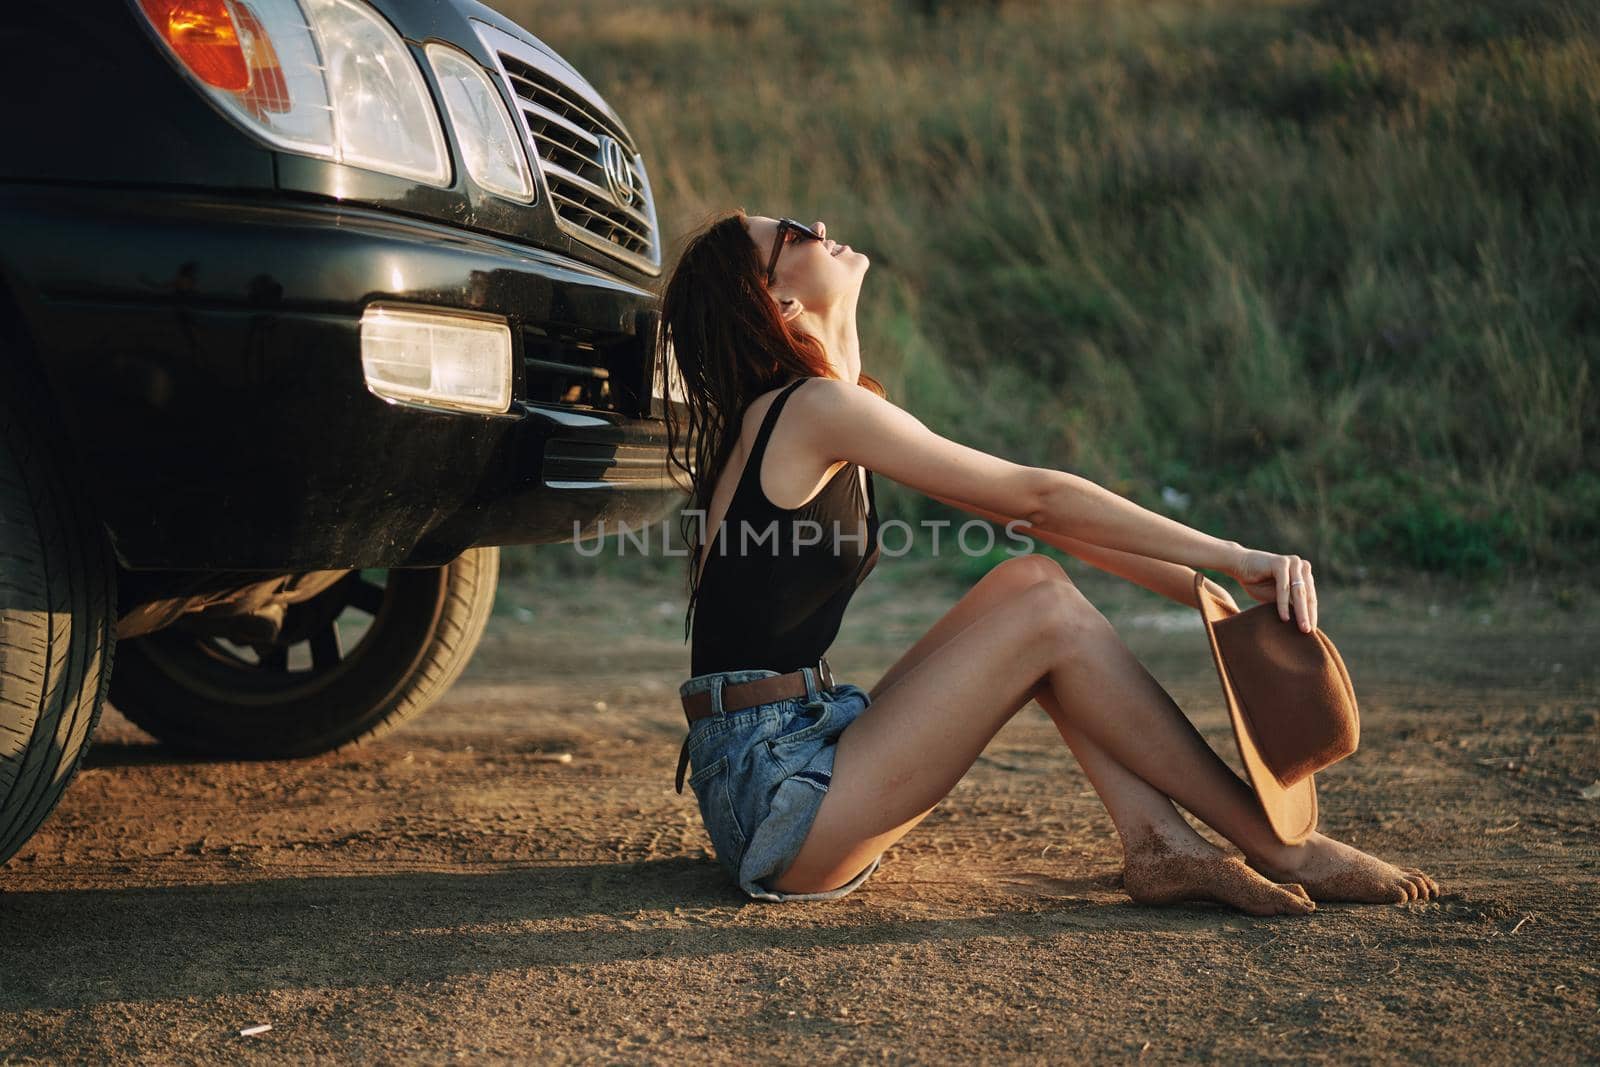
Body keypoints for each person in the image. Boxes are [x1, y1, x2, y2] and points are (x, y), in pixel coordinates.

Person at [659, 210, 1440, 911]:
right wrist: (1233, 553)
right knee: (1045, 618)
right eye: (791, 233)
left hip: (807, 739)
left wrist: (1204, 585)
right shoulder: (813, 411)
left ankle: (1157, 842)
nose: (818, 222)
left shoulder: (829, 404)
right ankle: (1282, 846)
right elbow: (1038, 499)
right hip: (778, 798)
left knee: (1031, 584)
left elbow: (1030, 525)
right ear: (778, 303)